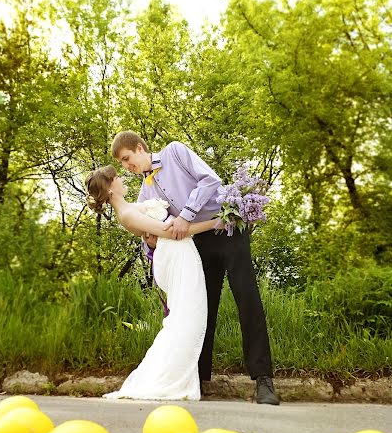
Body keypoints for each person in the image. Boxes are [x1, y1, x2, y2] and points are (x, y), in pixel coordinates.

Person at [110, 130, 280, 406]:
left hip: (226, 228)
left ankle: (263, 380)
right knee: (202, 306)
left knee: (246, 297)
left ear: (140, 148)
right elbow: (152, 232)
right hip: (197, 243)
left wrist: (186, 215)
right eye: (123, 164)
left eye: (128, 159)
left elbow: (210, 180)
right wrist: (150, 244)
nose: (127, 167)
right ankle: (198, 378)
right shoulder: (143, 193)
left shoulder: (175, 152)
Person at [85, 165, 224, 400]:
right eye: (116, 178)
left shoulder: (131, 207)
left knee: (190, 316)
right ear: (110, 189)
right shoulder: (127, 215)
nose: (121, 178)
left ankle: (177, 374)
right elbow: (171, 232)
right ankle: (168, 379)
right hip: (175, 255)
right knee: (186, 317)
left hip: (181, 253)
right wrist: (217, 222)